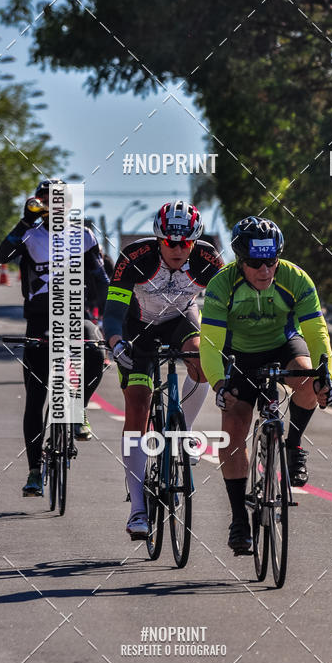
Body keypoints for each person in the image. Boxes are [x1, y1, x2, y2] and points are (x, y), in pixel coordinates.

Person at [199, 216, 332, 554]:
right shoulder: (221, 285)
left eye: (271, 261)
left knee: (306, 375)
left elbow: (316, 332)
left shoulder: (295, 278)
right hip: (239, 354)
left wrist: (325, 375)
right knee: (233, 426)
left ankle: (293, 446)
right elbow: (211, 343)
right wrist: (219, 385)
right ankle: (238, 520)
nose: (265, 270)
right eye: (256, 263)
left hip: (282, 344)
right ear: (240, 261)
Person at [103, 201, 223, 540]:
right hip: (135, 328)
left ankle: (181, 435)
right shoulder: (135, 257)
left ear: (194, 241)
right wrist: (114, 343)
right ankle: (138, 508)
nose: (178, 249)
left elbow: (224, 311)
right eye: (170, 242)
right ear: (158, 239)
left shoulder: (209, 260)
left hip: (180, 322)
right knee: (138, 405)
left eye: (185, 243)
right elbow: (111, 313)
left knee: (203, 361)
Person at [0, 178, 108, 495]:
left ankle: (78, 409)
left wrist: (108, 315)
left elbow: (100, 280)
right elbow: (2, 255)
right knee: (36, 397)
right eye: (45, 200)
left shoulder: (83, 235)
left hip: (75, 314)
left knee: (96, 351)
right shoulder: (30, 234)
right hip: (39, 318)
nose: (53, 206)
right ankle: (34, 471)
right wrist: (25, 219)